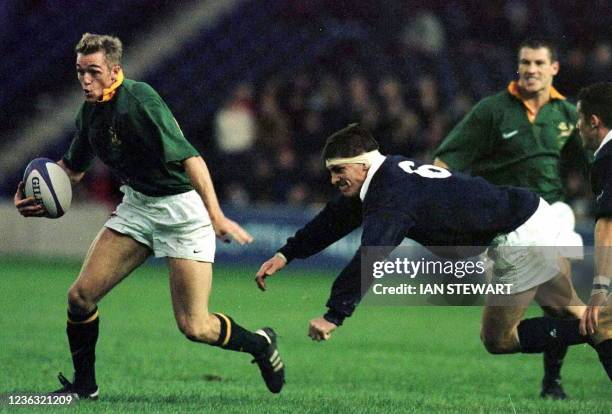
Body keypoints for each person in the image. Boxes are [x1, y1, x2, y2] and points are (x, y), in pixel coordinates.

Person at [14, 33, 285, 398]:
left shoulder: (140, 100)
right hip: (138, 208)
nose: (85, 80)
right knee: (80, 297)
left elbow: (192, 159)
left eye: (93, 71)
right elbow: (72, 170)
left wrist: (216, 215)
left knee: (194, 326)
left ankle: (260, 344)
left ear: (115, 71)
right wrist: (33, 191)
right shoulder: (90, 112)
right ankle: (84, 388)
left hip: (181, 213)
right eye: (80, 72)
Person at [255, 124, 609, 382]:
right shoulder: (384, 177)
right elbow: (334, 218)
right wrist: (287, 253)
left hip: (517, 234)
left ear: (362, 164)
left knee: (499, 339)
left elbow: (373, 255)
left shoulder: (390, 193)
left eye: (338, 171)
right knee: (575, 314)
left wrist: (334, 315)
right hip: (528, 215)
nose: (333, 179)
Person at [433, 38, 587, 398]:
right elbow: (446, 161)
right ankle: (596, 331)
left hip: (550, 217)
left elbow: (593, 164)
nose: (531, 70)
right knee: (515, 329)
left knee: (558, 302)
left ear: (554, 68)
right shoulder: (492, 111)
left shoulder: (566, 115)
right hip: (504, 225)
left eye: (538, 63)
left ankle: (554, 381)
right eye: (525, 63)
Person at [576, 82, 612, 380]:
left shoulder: (607, 157)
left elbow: (607, 225)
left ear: (593, 122)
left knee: (599, 323)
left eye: (579, 120)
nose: (577, 127)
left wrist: (600, 288)